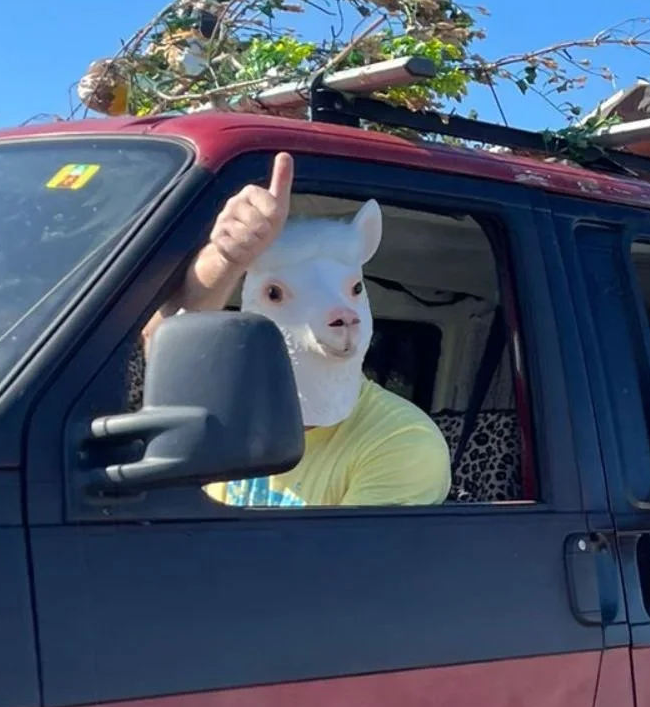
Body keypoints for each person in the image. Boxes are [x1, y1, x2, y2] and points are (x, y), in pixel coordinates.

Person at [154, 154, 448, 510]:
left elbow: (340, 565)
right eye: (276, 294)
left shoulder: (403, 441)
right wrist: (225, 258)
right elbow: (163, 348)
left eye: (354, 290)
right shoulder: (226, 415)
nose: (343, 315)